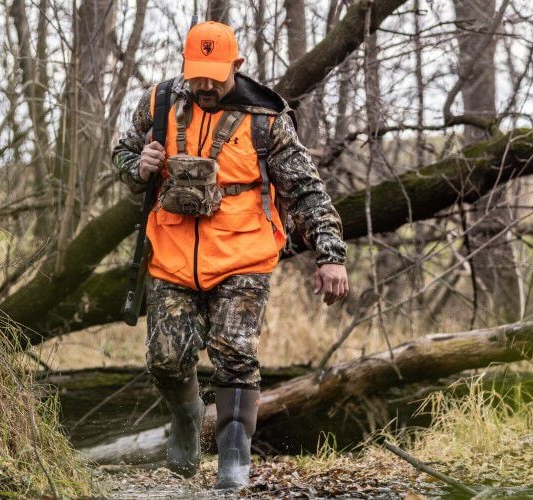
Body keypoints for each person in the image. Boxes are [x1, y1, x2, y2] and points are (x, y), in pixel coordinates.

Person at [110, 21, 349, 489]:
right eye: (196, 73)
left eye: (214, 74)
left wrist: (331, 254)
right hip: (171, 255)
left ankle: (233, 462)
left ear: (236, 66)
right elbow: (123, 152)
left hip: (244, 255)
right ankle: (187, 420)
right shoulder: (158, 103)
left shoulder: (267, 118)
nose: (204, 84)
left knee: (234, 351)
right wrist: (138, 167)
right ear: (185, 64)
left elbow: (306, 190)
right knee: (166, 358)